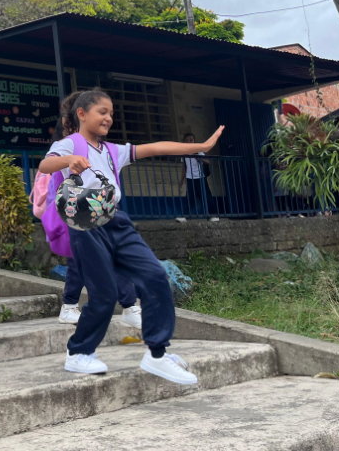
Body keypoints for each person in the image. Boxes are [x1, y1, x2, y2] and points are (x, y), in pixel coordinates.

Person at [39, 89, 223, 383]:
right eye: (102, 112)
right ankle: (79, 353)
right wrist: (69, 160)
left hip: (117, 220)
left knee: (154, 275)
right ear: (82, 114)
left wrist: (199, 145)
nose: (109, 118)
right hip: (86, 224)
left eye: (111, 113)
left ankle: (157, 354)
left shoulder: (113, 150)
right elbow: (45, 165)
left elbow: (154, 147)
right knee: (104, 293)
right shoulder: (69, 144)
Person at [52, 96, 141, 330]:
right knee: (86, 259)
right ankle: (72, 305)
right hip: (81, 211)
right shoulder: (68, 147)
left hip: (103, 208)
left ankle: (128, 306)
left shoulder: (99, 148)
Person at [179, 132, 218, 220]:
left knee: (206, 197)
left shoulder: (198, 151)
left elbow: (208, 162)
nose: (189, 142)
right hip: (189, 178)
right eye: (186, 140)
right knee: (189, 198)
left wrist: (199, 158)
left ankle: (213, 215)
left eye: (191, 140)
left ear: (194, 141)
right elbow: (184, 168)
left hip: (200, 177)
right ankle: (185, 217)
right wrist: (181, 180)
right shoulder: (183, 153)